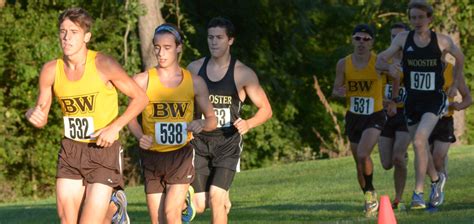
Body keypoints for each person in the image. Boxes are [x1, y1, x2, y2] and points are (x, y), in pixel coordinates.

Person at [24, 7, 148, 223]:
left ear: (87, 37)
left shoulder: (103, 63)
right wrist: (30, 114)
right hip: (71, 150)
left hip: (103, 150)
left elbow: (140, 98)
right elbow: (41, 115)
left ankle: (113, 205)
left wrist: (114, 127)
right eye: (63, 31)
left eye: (74, 32)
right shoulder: (51, 70)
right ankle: (113, 205)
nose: (66, 37)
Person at [376, 0, 465, 210]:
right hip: (412, 100)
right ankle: (436, 180)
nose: (416, 21)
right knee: (421, 146)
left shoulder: (441, 41)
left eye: (420, 17)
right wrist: (391, 67)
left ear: (429, 19)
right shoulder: (402, 38)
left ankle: (418, 193)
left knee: (418, 140)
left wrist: (453, 84)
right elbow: (380, 59)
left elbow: (460, 58)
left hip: (434, 99)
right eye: (413, 18)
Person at [127, 23, 217, 224]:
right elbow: (129, 118)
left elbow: (212, 120)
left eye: (167, 47)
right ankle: (187, 199)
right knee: (157, 220)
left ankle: (184, 199)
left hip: (181, 154)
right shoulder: (142, 80)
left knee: (171, 214)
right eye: (157, 47)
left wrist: (200, 124)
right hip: (152, 157)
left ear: (178, 48)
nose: (161, 53)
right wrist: (140, 136)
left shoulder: (194, 82)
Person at [185, 17, 272, 223]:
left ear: (230, 40)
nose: (214, 42)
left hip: (227, 144)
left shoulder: (243, 73)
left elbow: (266, 109)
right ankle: (208, 196)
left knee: (216, 197)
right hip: (199, 142)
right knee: (199, 204)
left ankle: (222, 194)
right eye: (210, 37)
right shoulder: (194, 69)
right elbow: (184, 102)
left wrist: (249, 123)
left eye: (219, 38)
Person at [333, 24, 393, 217]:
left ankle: (370, 192)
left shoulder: (379, 62)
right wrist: (339, 92)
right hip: (353, 116)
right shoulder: (343, 63)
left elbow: (396, 76)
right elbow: (336, 89)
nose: (361, 43)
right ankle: (369, 195)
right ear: (352, 40)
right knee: (358, 163)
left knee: (362, 154)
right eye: (358, 38)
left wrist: (392, 99)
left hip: (374, 114)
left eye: (366, 39)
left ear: (372, 43)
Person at [426, 62, 471, 208]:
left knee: (437, 157)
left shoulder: (453, 71)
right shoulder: (422, 67)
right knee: (427, 161)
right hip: (425, 120)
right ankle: (436, 181)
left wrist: (458, 106)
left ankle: (438, 187)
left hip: (444, 121)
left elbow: (468, 98)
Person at [377, 23, 411, 210]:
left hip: (406, 113)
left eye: (400, 36)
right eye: (392, 36)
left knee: (397, 157)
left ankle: (398, 199)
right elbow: (374, 83)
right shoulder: (383, 59)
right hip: (385, 113)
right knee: (386, 163)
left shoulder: (413, 59)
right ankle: (402, 156)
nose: (396, 40)